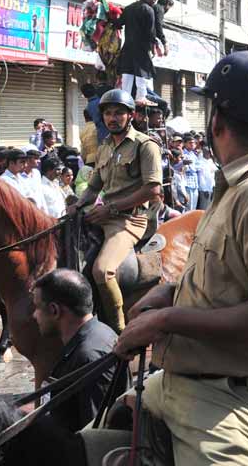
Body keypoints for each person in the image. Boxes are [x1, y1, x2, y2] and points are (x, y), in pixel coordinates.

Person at [113, 51, 248, 466]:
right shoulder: (236, 179)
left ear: (217, 121)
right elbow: (232, 276)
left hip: (242, 402)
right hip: (187, 382)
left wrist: (166, 320)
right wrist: (171, 294)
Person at [67, 89, 162, 334]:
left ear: (131, 115)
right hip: (103, 214)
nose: (112, 118)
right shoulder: (105, 146)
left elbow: (152, 189)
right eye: (108, 113)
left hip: (130, 220)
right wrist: (77, 205)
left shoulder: (145, 145)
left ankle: (119, 331)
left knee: (102, 270)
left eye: (118, 113)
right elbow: (93, 187)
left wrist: (110, 209)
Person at [31, 269, 121, 432]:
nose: (34, 315)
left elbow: (94, 433)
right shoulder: (99, 333)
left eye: (37, 307)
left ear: (54, 310)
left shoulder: (88, 357)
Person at [117, 0, 159, 105]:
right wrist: (153, 45)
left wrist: (109, 17)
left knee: (127, 72)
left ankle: (124, 96)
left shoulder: (128, 8)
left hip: (128, 46)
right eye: (154, 0)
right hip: (142, 47)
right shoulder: (148, 10)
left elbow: (119, 23)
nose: (154, 3)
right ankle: (141, 97)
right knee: (141, 73)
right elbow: (151, 31)